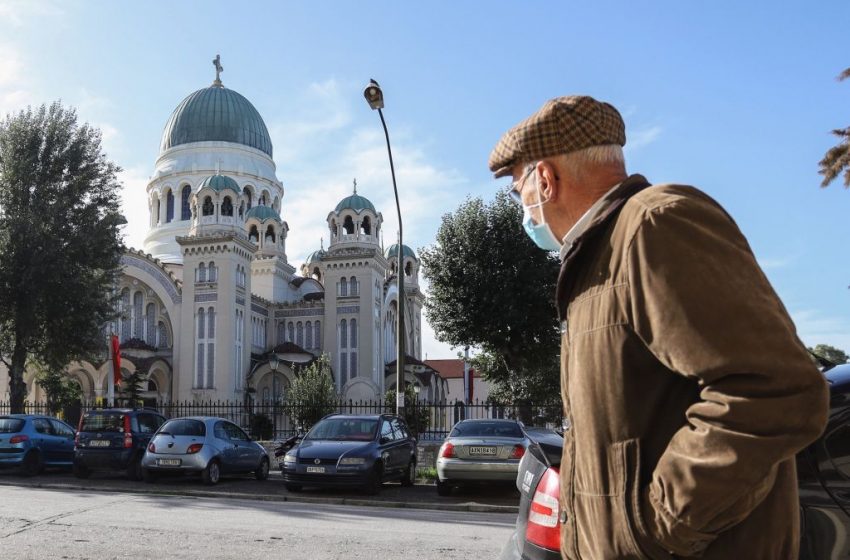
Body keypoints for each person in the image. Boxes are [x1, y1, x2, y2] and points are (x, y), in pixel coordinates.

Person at [489, 96, 829, 559]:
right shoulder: (598, 257)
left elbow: (774, 392)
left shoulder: (656, 224)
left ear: (545, 179)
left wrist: (658, 527)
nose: (523, 210)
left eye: (517, 192)